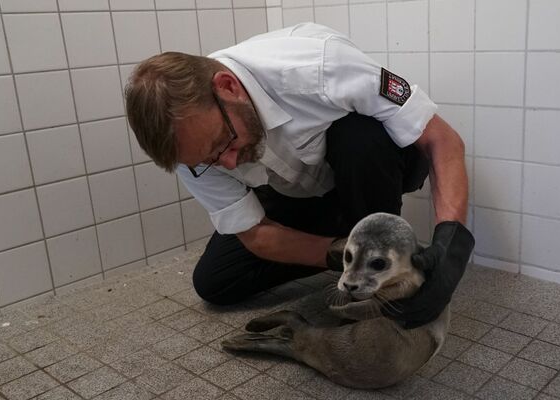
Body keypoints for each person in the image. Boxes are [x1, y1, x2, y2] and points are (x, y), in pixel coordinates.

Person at [124, 23, 475, 328]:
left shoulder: (320, 66)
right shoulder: (192, 152)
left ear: (228, 87)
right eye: (208, 161)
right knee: (215, 281)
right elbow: (254, 233)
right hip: (300, 194)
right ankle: (360, 251)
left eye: (224, 143)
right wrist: (340, 254)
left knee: (361, 136)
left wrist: (450, 248)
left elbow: (442, 141)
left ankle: (386, 264)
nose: (228, 164)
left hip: (370, 169)